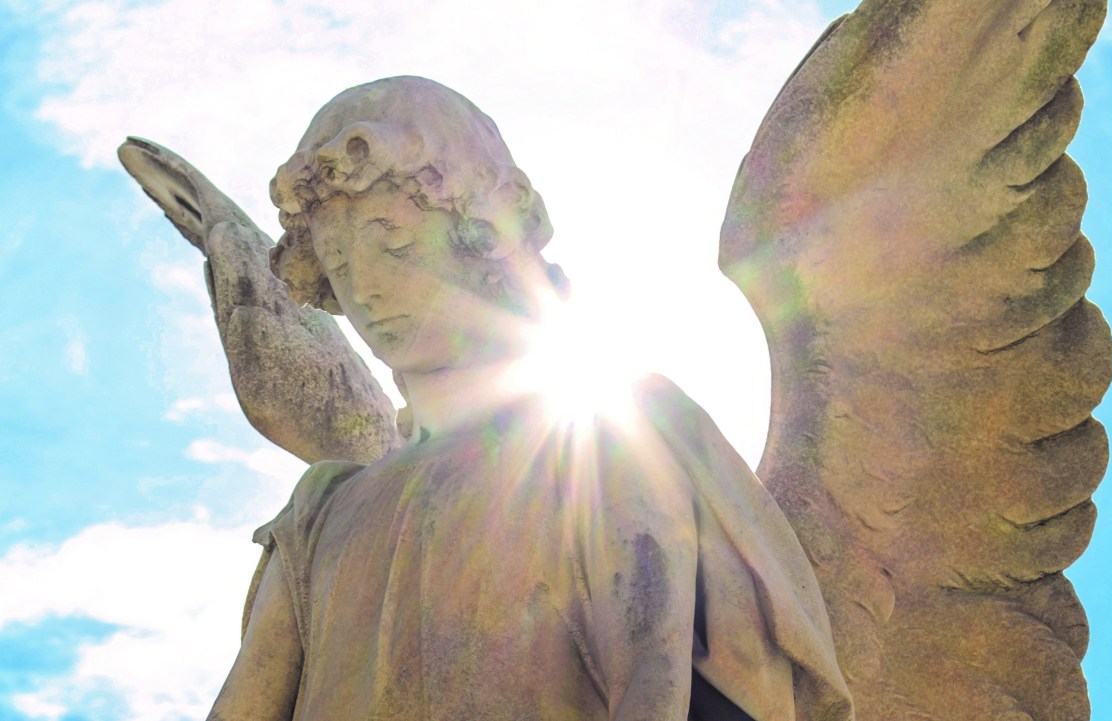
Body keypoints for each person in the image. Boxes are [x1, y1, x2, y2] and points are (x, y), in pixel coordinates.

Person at [208, 76, 852, 721]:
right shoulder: (323, 513)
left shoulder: (616, 438)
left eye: (395, 245)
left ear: (482, 233)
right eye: (340, 265)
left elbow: (661, 678)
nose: (367, 290)